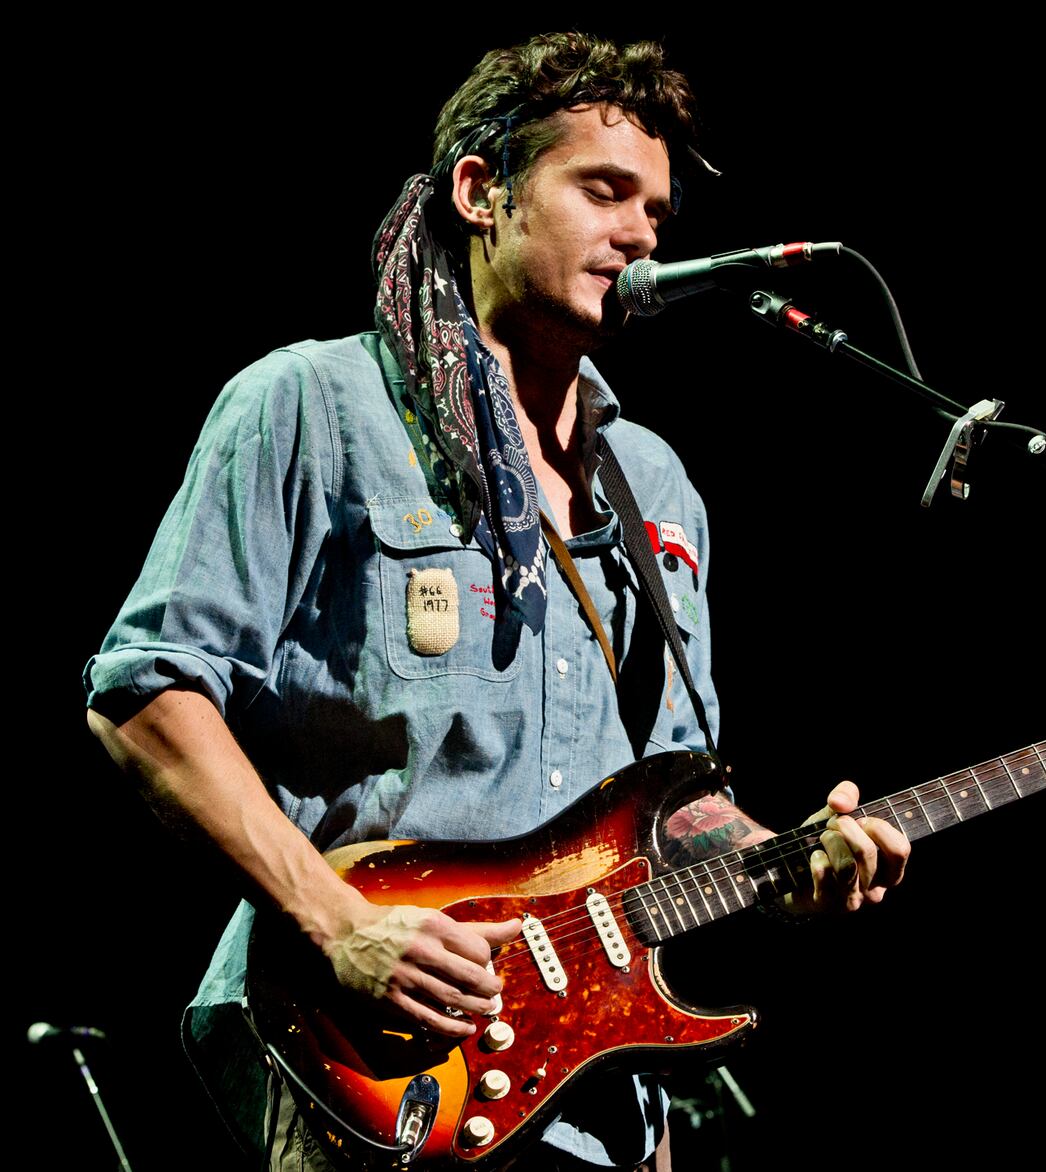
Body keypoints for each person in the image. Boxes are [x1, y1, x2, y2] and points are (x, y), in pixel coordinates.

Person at [83, 32, 908, 1171]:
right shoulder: (313, 406)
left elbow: (673, 796)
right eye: (603, 190)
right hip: (365, 1065)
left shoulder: (658, 486)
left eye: (657, 213)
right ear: (481, 192)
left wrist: (785, 858)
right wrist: (339, 919)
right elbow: (145, 695)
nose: (638, 233)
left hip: (599, 1098)